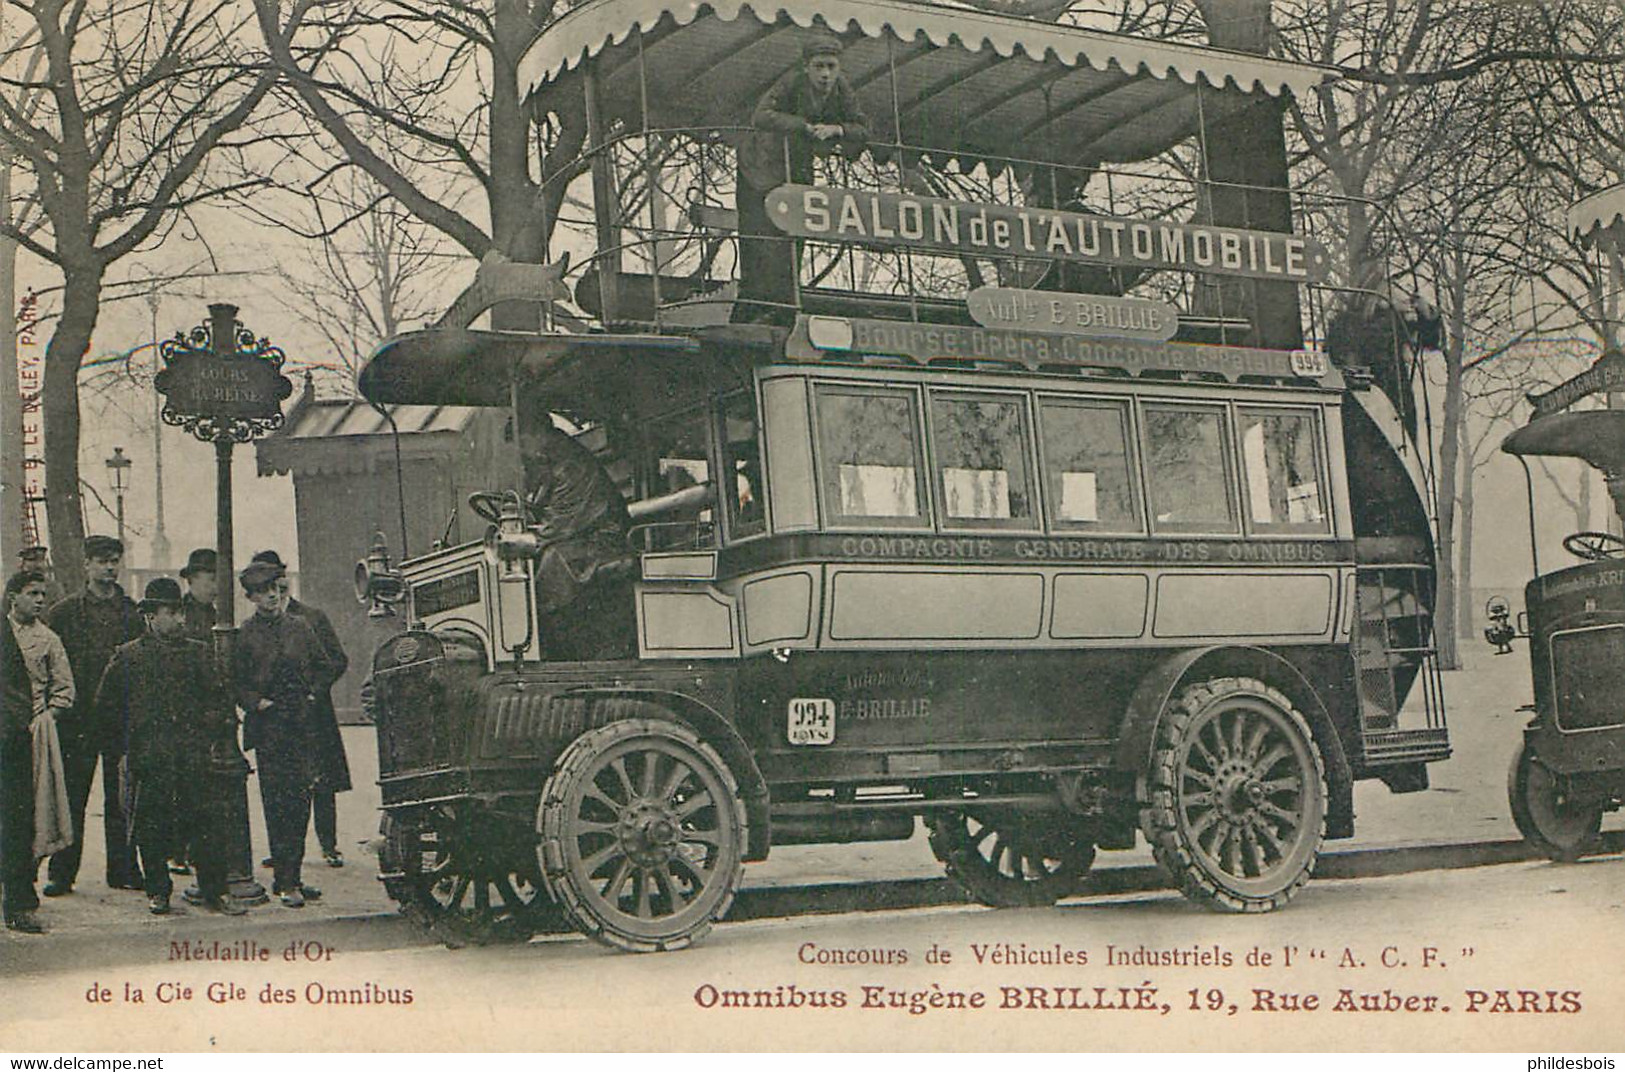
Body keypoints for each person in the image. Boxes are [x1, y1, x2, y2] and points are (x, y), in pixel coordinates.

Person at [96, 579, 246, 916]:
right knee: (151, 827)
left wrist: (211, 726)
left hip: (194, 756)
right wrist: (127, 748)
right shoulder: (129, 656)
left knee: (206, 826)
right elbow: (105, 710)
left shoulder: (198, 652)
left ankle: (213, 891)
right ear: (150, 616)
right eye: (171, 613)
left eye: (181, 612)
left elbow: (219, 701)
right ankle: (158, 892)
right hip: (150, 759)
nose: (180, 620)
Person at [733, 31, 870, 324]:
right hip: (760, 167)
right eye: (819, 66)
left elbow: (862, 127)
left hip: (797, 169)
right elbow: (762, 116)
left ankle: (784, 307)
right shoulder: (790, 83)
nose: (825, 74)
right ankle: (758, 306)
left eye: (831, 67)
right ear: (806, 66)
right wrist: (804, 126)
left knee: (794, 234)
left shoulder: (841, 89)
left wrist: (837, 129)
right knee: (763, 236)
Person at [232, 560, 339, 907]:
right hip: (270, 730)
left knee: (301, 800)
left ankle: (293, 875)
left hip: (302, 726)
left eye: (276, 589)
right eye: (263, 592)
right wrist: (255, 702)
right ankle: (284, 881)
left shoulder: (300, 628)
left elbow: (326, 666)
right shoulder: (246, 634)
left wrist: (312, 694)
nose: (272, 597)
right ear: (251, 597)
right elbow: (235, 682)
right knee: (277, 803)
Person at [44, 535, 143, 895]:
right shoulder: (64, 613)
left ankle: (123, 869)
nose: (110, 567)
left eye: (115, 560)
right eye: (102, 560)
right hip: (77, 719)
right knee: (72, 796)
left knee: (121, 797)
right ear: (86, 565)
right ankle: (62, 871)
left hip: (120, 719)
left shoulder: (133, 613)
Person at [249, 551, 350, 869]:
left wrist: (313, 693)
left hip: (313, 713)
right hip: (275, 717)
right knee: (278, 785)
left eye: (278, 581)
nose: (274, 590)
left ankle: (328, 843)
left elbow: (336, 660)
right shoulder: (255, 627)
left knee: (320, 779)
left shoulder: (311, 618)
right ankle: (282, 850)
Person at [2, 570, 74, 933]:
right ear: (12, 596)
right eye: (32, 593)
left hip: (26, 738)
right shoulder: (2, 633)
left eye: (43, 594)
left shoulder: (48, 640)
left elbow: (65, 690)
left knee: (20, 819)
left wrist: (44, 718)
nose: (40, 600)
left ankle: (18, 900)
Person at [179, 548, 218, 643]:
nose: (217, 586)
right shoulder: (178, 613)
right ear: (192, 578)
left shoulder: (217, 615)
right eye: (213, 579)